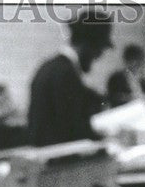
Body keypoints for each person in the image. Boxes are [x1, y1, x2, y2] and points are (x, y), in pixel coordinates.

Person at [27, 8, 112, 147]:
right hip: (56, 160)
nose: (98, 56)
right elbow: (72, 130)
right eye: (99, 49)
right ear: (88, 44)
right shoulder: (66, 74)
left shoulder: (51, 67)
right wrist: (104, 137)